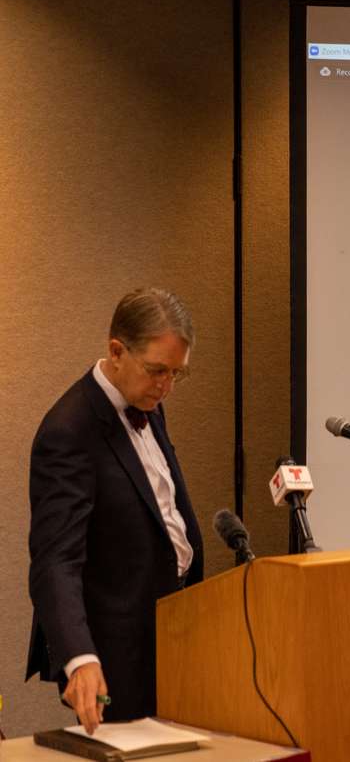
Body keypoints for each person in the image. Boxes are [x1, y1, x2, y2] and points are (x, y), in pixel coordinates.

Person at [26, 288, 204, 733]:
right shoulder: (68, 432)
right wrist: (80, 658)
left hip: (176, 629)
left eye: (176, 375)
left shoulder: (147, 402)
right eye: (157, 371)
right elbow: (55, 562)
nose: (165, 387)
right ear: (116, 351)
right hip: (118, 653)